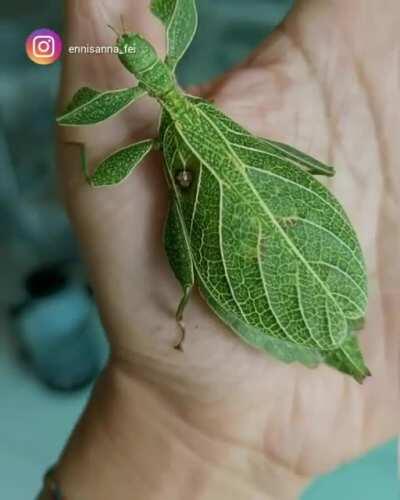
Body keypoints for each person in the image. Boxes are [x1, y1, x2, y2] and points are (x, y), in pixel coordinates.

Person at [42, 0, 400, 498]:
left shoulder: (155, 126)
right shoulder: (182, 110)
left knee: (190, 259)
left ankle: (228, 312)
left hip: (317, 267)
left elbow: (100, 170)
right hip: (301, 245)